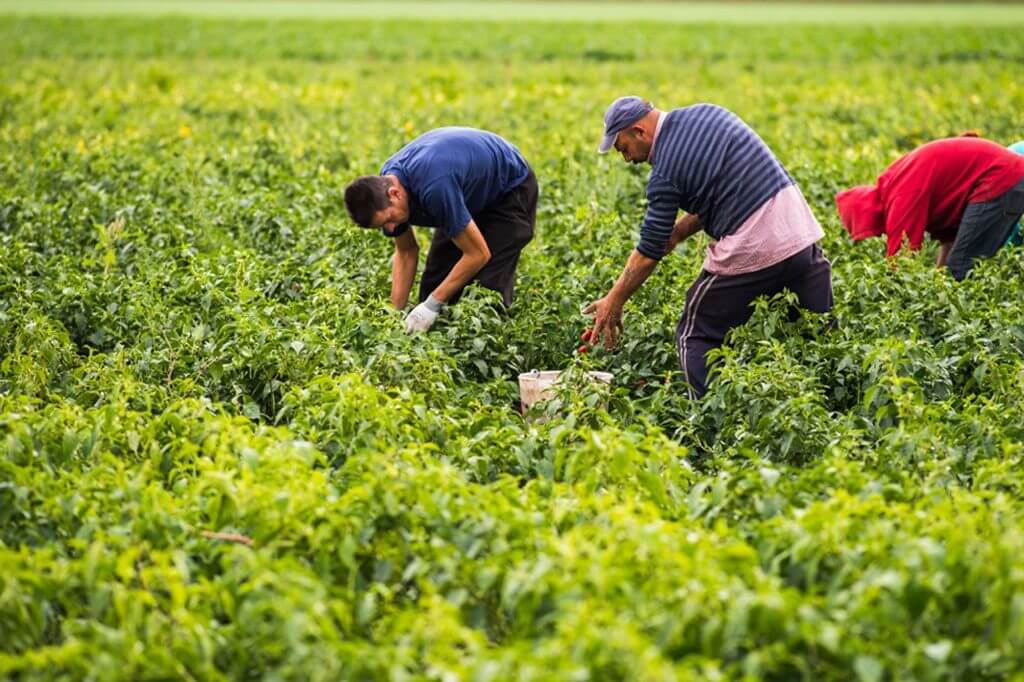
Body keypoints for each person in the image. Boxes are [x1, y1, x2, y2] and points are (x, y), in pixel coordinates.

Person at [584, 97, 833, 399]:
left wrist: (614, 299)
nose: (626, 159)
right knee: (819, 335)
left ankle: (708, 426)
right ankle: (833, 408)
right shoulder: (708, 113)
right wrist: (676, 233)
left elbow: (648, 253)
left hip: (755, 242)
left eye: (623, 148)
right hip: (799, 232)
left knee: (696, 333)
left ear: (640, 131)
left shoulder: (664, 172)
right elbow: (725, 189)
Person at [344, 127, 537, 332]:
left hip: (508, 190)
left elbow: (478, 254)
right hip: (465, 192)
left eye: (389, 219)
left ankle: (487, 354)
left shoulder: (435, 188)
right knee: (434, 282)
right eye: (382, 226)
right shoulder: (386, 185)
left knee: (486, 295)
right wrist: (393, 316)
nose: (391, 228)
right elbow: (406, 251)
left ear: (395, 194)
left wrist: (432, 305)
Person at [836, 135, 1024, 280]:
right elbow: (950, 239)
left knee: (961, 269)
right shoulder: (896, 185)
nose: (879, 235)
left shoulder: (901, 197)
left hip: (999, 180)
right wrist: (938, 279)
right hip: (1005, 177)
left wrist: (893, 296)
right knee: (957, 268)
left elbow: (901, 261)